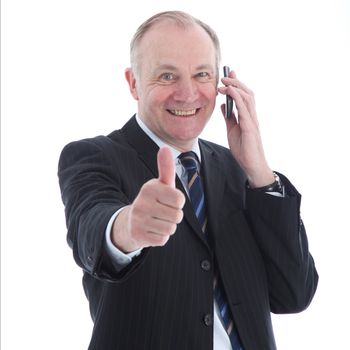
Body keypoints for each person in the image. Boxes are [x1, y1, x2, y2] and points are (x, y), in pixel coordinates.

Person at [58, 10, 318, 350]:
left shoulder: (239, 168)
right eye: (167, 76)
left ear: (222, 83)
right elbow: (91, 227)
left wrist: (260, 174)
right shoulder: (94, 155)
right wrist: (128, 228)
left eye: (202, 75)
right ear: (133, 82)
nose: (187, 93)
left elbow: (294, 294)